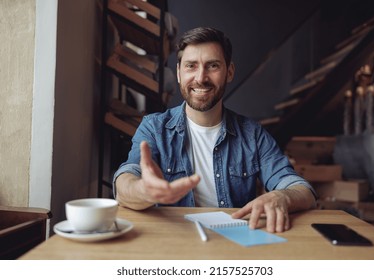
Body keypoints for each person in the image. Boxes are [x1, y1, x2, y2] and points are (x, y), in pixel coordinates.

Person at [113, 27, 316, 233]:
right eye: (191, 66)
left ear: (229, 72)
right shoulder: (154, 128)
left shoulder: (252, 134)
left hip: (234, 242)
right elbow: (125, 182)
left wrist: (282, 196)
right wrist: (144, 191)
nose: (201, 78)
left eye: (213, 66)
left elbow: (302, 190)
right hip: (174, 241)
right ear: (179, 73)